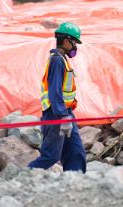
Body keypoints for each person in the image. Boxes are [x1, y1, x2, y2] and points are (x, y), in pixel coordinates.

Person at [28, 22, 86, 172]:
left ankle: (76, 181)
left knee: (75, 151)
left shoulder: (62, 59)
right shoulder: (57, 60)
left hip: (66, 113)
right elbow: (54, 92)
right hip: (56, 114)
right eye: (74, 42)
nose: (75, 47)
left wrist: (66, 115)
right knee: (50, 156)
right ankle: (20, 177)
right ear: (66, 41)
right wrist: (62, 116)